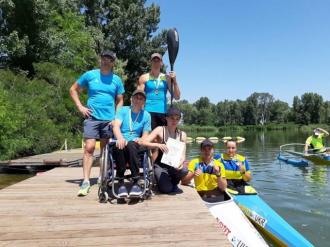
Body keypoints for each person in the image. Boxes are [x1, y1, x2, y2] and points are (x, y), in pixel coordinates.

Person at [70, 50, 124, 196]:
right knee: (89, 147)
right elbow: (73, 89)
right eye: (104, 58)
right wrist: (80, 107)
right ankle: (86, 181)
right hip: (92, 118)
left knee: (105, 150)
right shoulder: (90, 75)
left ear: (113, 63)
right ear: (100, 59)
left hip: (108, 119)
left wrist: (116, 117)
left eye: (110, 59)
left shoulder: (116, 79)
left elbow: (120, 100)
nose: (107, 61)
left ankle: (102, 177)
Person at [112, 89, 151, 197]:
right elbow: (116, 126)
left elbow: (146, 134)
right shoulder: (123, 110)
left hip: (135, 143)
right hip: (121, 140)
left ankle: (135, 181)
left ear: (144, 102)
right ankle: (120, 182)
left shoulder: (146, 115)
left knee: (131, 144)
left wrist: (141, 139)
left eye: (141, 98)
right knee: (120, 146)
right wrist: (119, 138)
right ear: (131, 99)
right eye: (136, 97)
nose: (138, 100)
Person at [140, 107, 188, 193]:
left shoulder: (182, 135)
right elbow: (143, 142)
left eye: (177, 119)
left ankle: (174, 183)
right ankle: (161, 180)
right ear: (166, 118)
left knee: (184, 169)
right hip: (160, 166)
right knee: (166, 189)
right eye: (172, 118)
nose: (174, 121)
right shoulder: (160, 130)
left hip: (173, 166)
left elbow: (183, 156)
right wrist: (157, 145)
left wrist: (180, 164)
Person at [137, 53, 181, 129]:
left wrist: (175, 81)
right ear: (150, 62)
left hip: (163, 112)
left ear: (161, 63)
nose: (156, 62)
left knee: (162, 138)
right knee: (149, 137)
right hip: (148, 112)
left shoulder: (167, 78)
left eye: (158, 60)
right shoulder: (144, 77)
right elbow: (138, 98)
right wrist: (138, 112)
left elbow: (177, 97)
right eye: (154, 60)